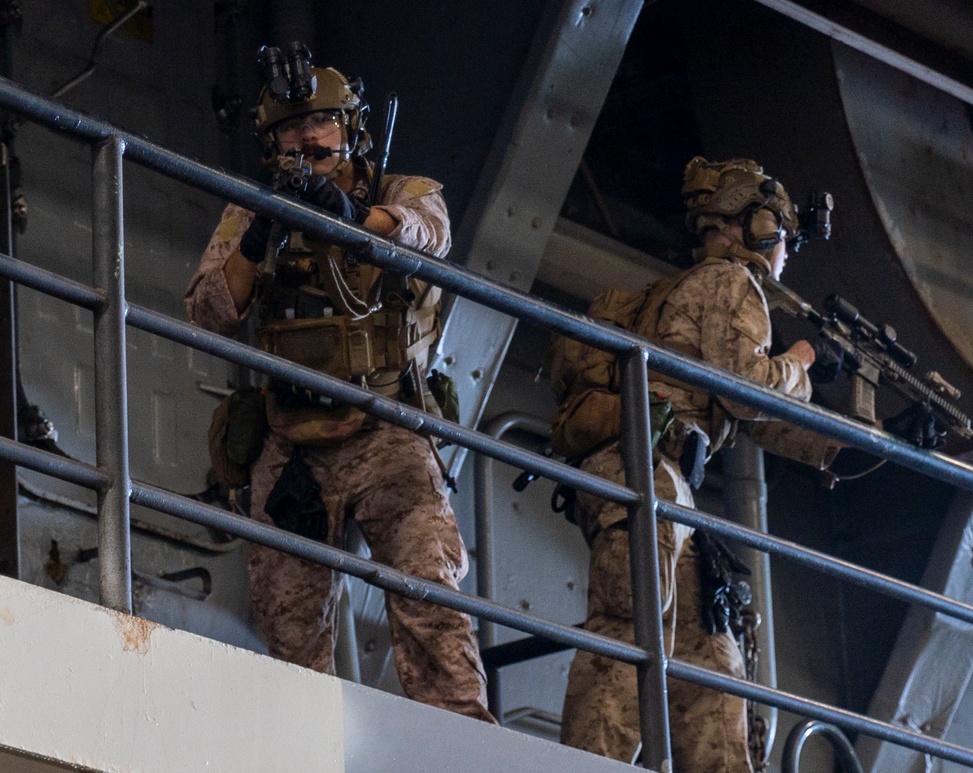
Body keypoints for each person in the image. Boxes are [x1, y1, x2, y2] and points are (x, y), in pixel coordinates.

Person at [185, 54, 494, 724]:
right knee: (289, 632)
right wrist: (262, 231)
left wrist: (353, 218)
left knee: (430, 594)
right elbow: (208, 310)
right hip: (292, 439)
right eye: (292, 130)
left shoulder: (399, 188)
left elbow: (429, 232)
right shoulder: (251, 212)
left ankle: (464, 746)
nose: (308, 139)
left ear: (350, 128)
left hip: (385, 423)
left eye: (321, 121)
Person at [557, 157, 839, 769]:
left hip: (666, 481)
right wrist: (801, 363)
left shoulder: (693, 291)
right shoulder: (732, 283)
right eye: (783, 236)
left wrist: (854, 441)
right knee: (630, 632)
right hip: (642, 473)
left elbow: (748, 415)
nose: (786, 252)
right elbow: (746, 388)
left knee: (712, 659)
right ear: (758, 226)